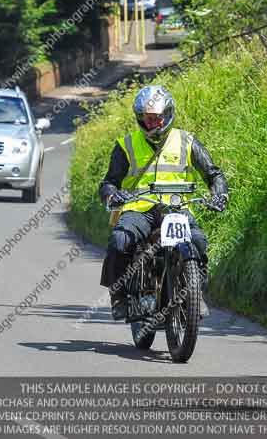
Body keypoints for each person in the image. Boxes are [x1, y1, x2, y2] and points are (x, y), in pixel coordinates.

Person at [98, 85, 229, 320]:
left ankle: (196, 293)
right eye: (147, 120)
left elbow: (213, 174)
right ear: (139, 119)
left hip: (177, 207)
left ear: (168, 115)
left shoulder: (187, 141)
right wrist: (112, 195)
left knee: (198, 240)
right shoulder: (125, 145)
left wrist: (220, 194)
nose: (153, 124)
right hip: (140, 208)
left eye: (157, 119)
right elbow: (109, 182)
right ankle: (118, 295)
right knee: (119, 240)